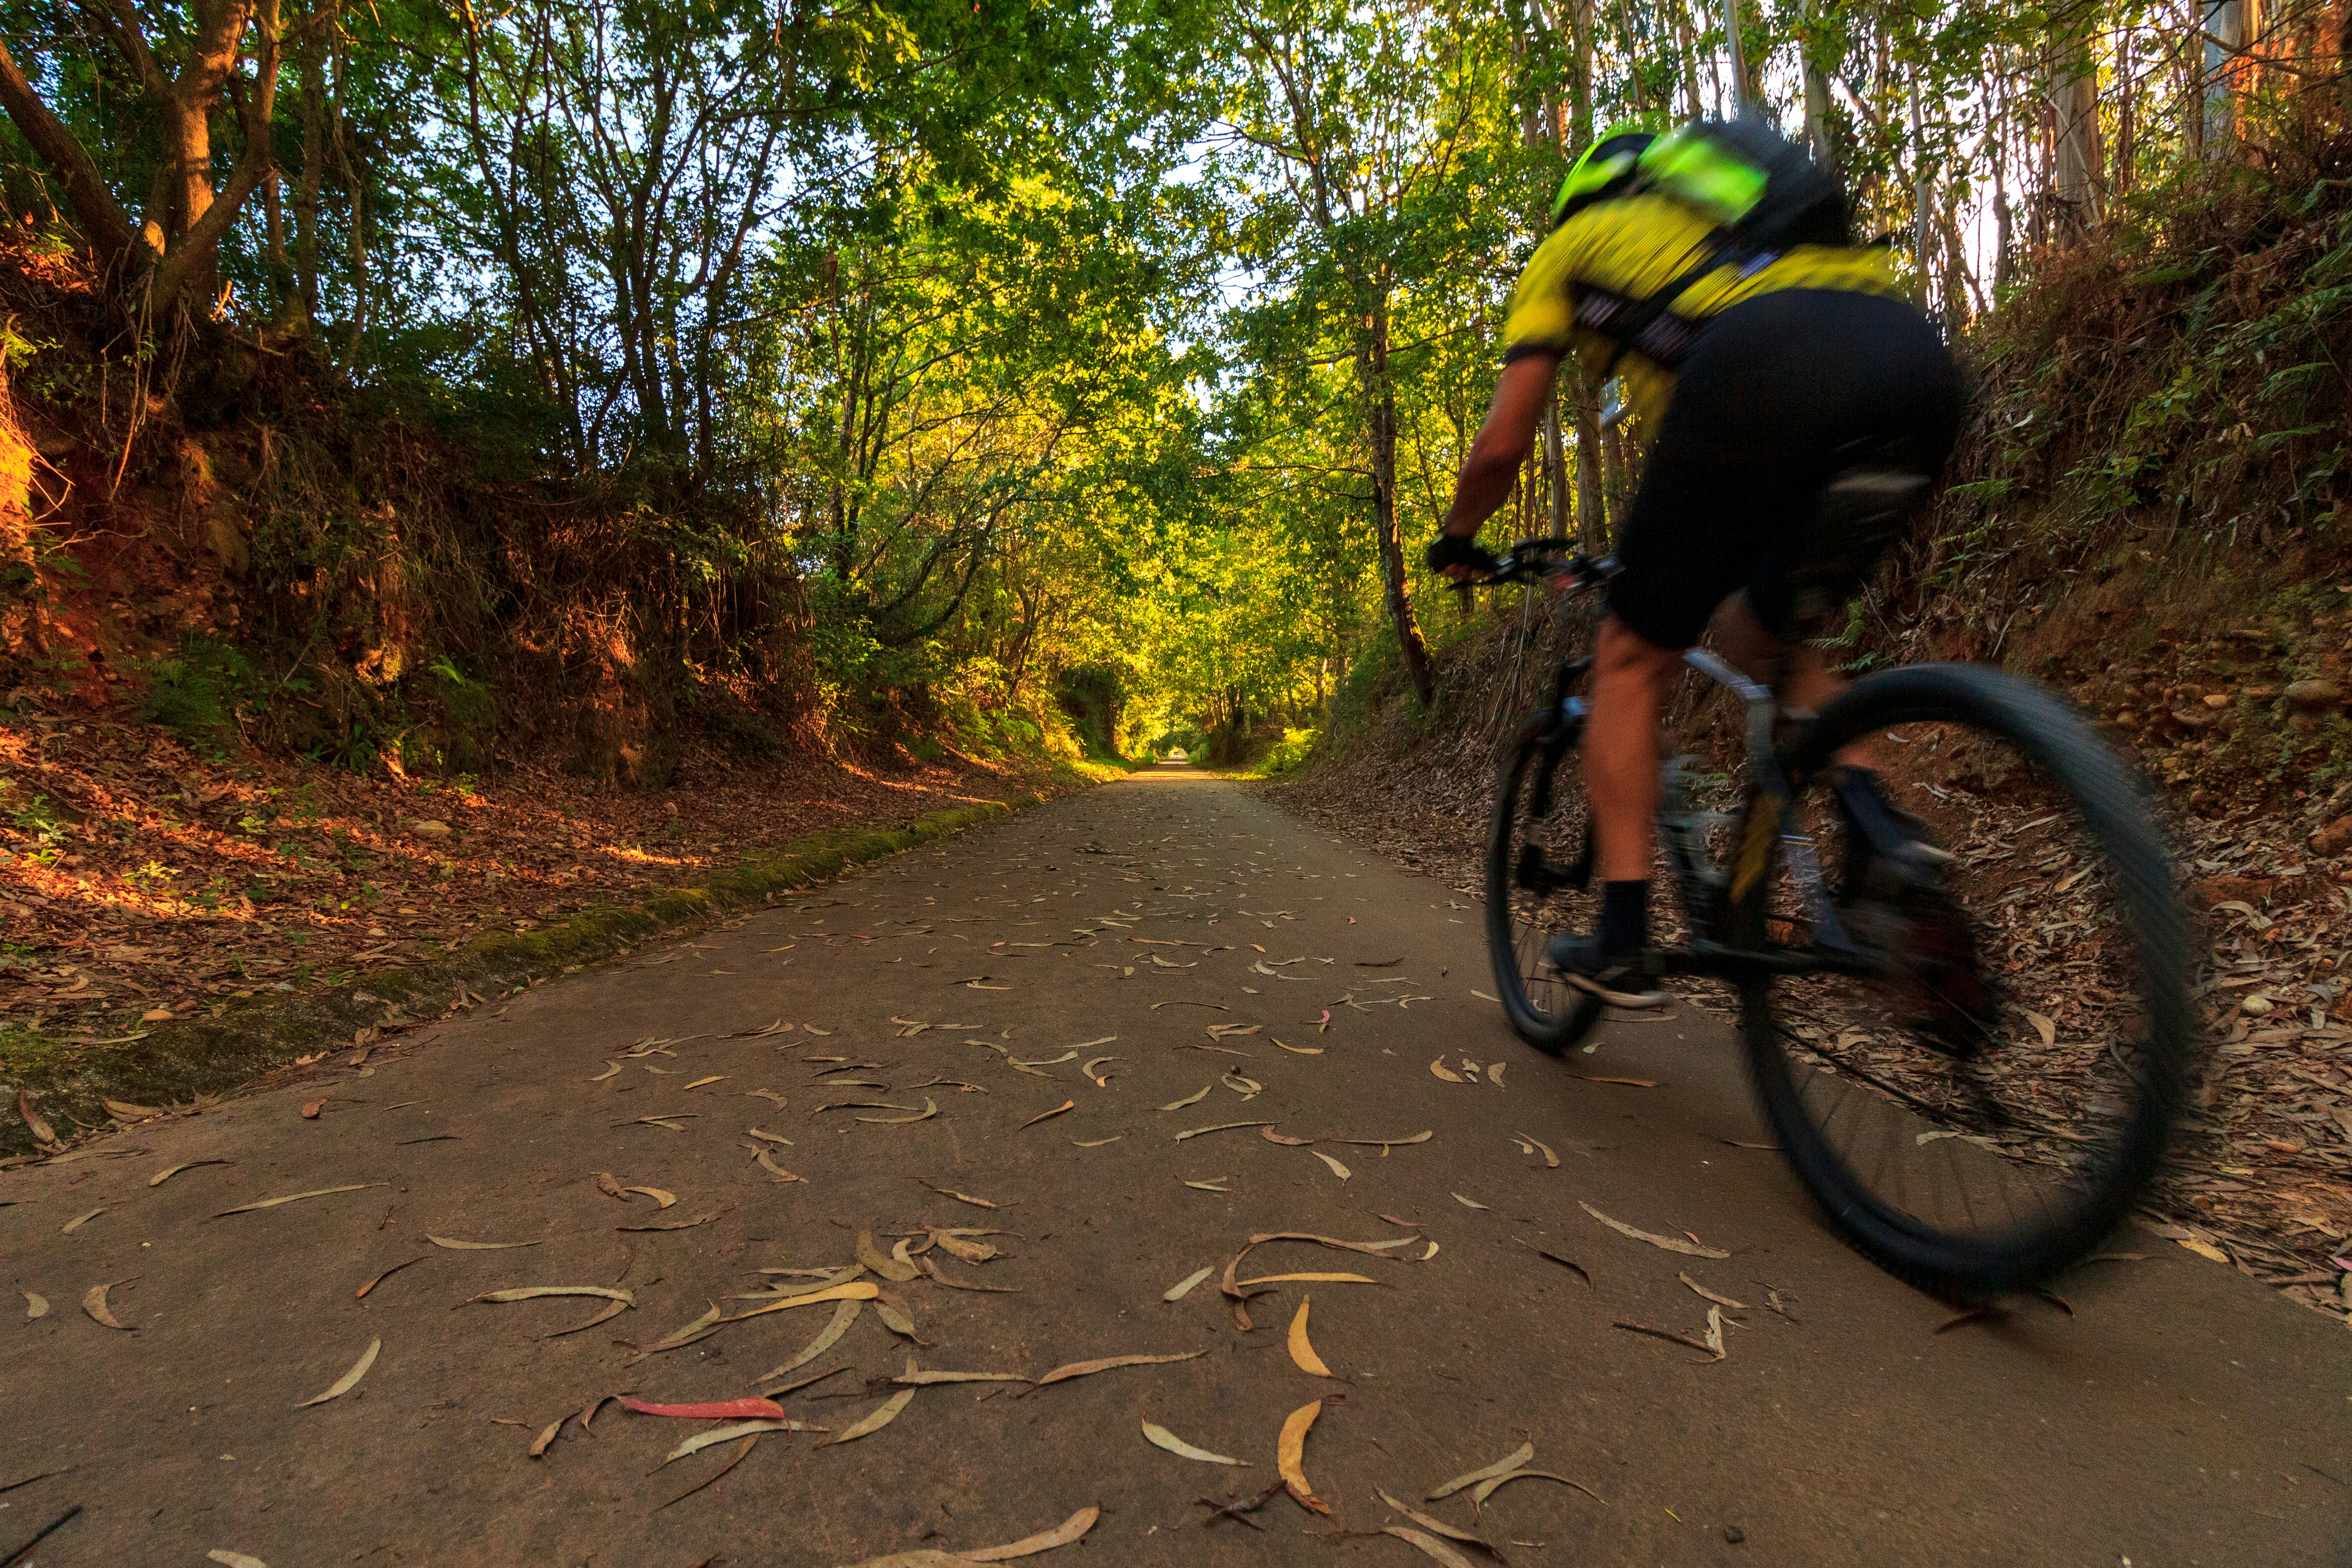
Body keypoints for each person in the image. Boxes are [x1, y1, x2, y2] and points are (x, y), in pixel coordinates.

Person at [1427, 120, 1966, 1007]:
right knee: (1770, 636)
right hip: (1910, 361)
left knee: (1630, 659)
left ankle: (1624, 936)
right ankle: (1887, 847)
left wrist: (1456, 539)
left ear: (1579, 204)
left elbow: (1502, 445)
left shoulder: (1569, 249)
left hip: (1760, 371)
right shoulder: (1741, 229)